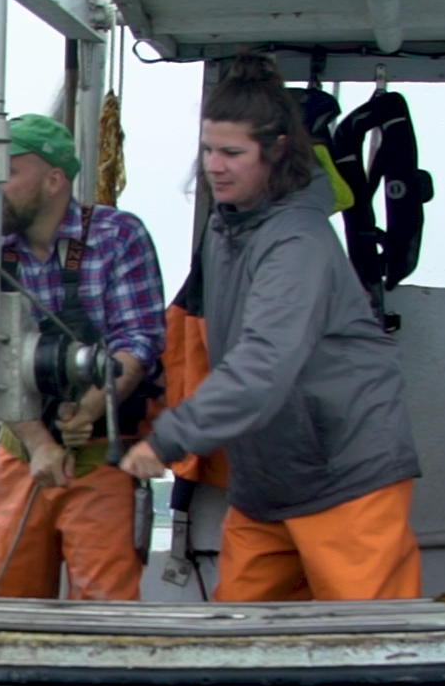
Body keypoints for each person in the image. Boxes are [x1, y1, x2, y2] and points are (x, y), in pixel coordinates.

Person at [121, 53, 422, 601]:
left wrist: (170, 438)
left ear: (277, 149)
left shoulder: (297, 242)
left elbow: (263, 364)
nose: (215, 166)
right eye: (209, 150)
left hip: (344, 474)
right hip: (264, 482)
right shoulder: (222, 228)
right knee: (237, 643)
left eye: (232, 153)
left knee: (375, 647)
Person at [0, 114, 166, 599]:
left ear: (54, 179)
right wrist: (40, 442)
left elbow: (139, 341)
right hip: (20, 452)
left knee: (106, 611)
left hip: (102, 457)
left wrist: (87, 411)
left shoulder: (118, 235)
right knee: (2, 607)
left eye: (9, 170)